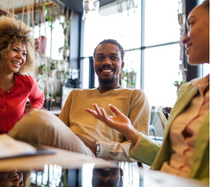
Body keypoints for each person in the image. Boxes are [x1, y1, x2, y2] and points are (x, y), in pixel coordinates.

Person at [86, 0, 209, 182]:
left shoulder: (135, 96)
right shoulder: (188, 91)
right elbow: (166, 159)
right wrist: (131, 132)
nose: (184, 38)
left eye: (191, 25)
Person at [8, 39, 150, 162]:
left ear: (122, 64)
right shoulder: (75, 94)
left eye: (114, 57)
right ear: (94, 63)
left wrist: (97, 147)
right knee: (33, 118)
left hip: (96, 157)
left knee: (36, 118)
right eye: (100, 58)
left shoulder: (135, 96)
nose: (106, 62)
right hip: (67, 154)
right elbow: (60, 129)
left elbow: (139, 149)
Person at [0, 16, 44, 134]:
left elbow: (39, 97)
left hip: (17, 142)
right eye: (15, 50)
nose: (21, 56)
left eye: (24, 53)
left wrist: (32, 115)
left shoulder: (27, 83)